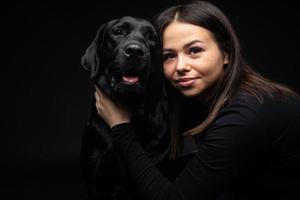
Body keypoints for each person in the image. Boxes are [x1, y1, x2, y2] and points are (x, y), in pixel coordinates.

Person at [93, 1, 300, 199]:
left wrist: (120, 125)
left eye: (194, 51)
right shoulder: (201, 99)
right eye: (168, 56)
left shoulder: (246, 114)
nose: (181, 66)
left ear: (226, 53)